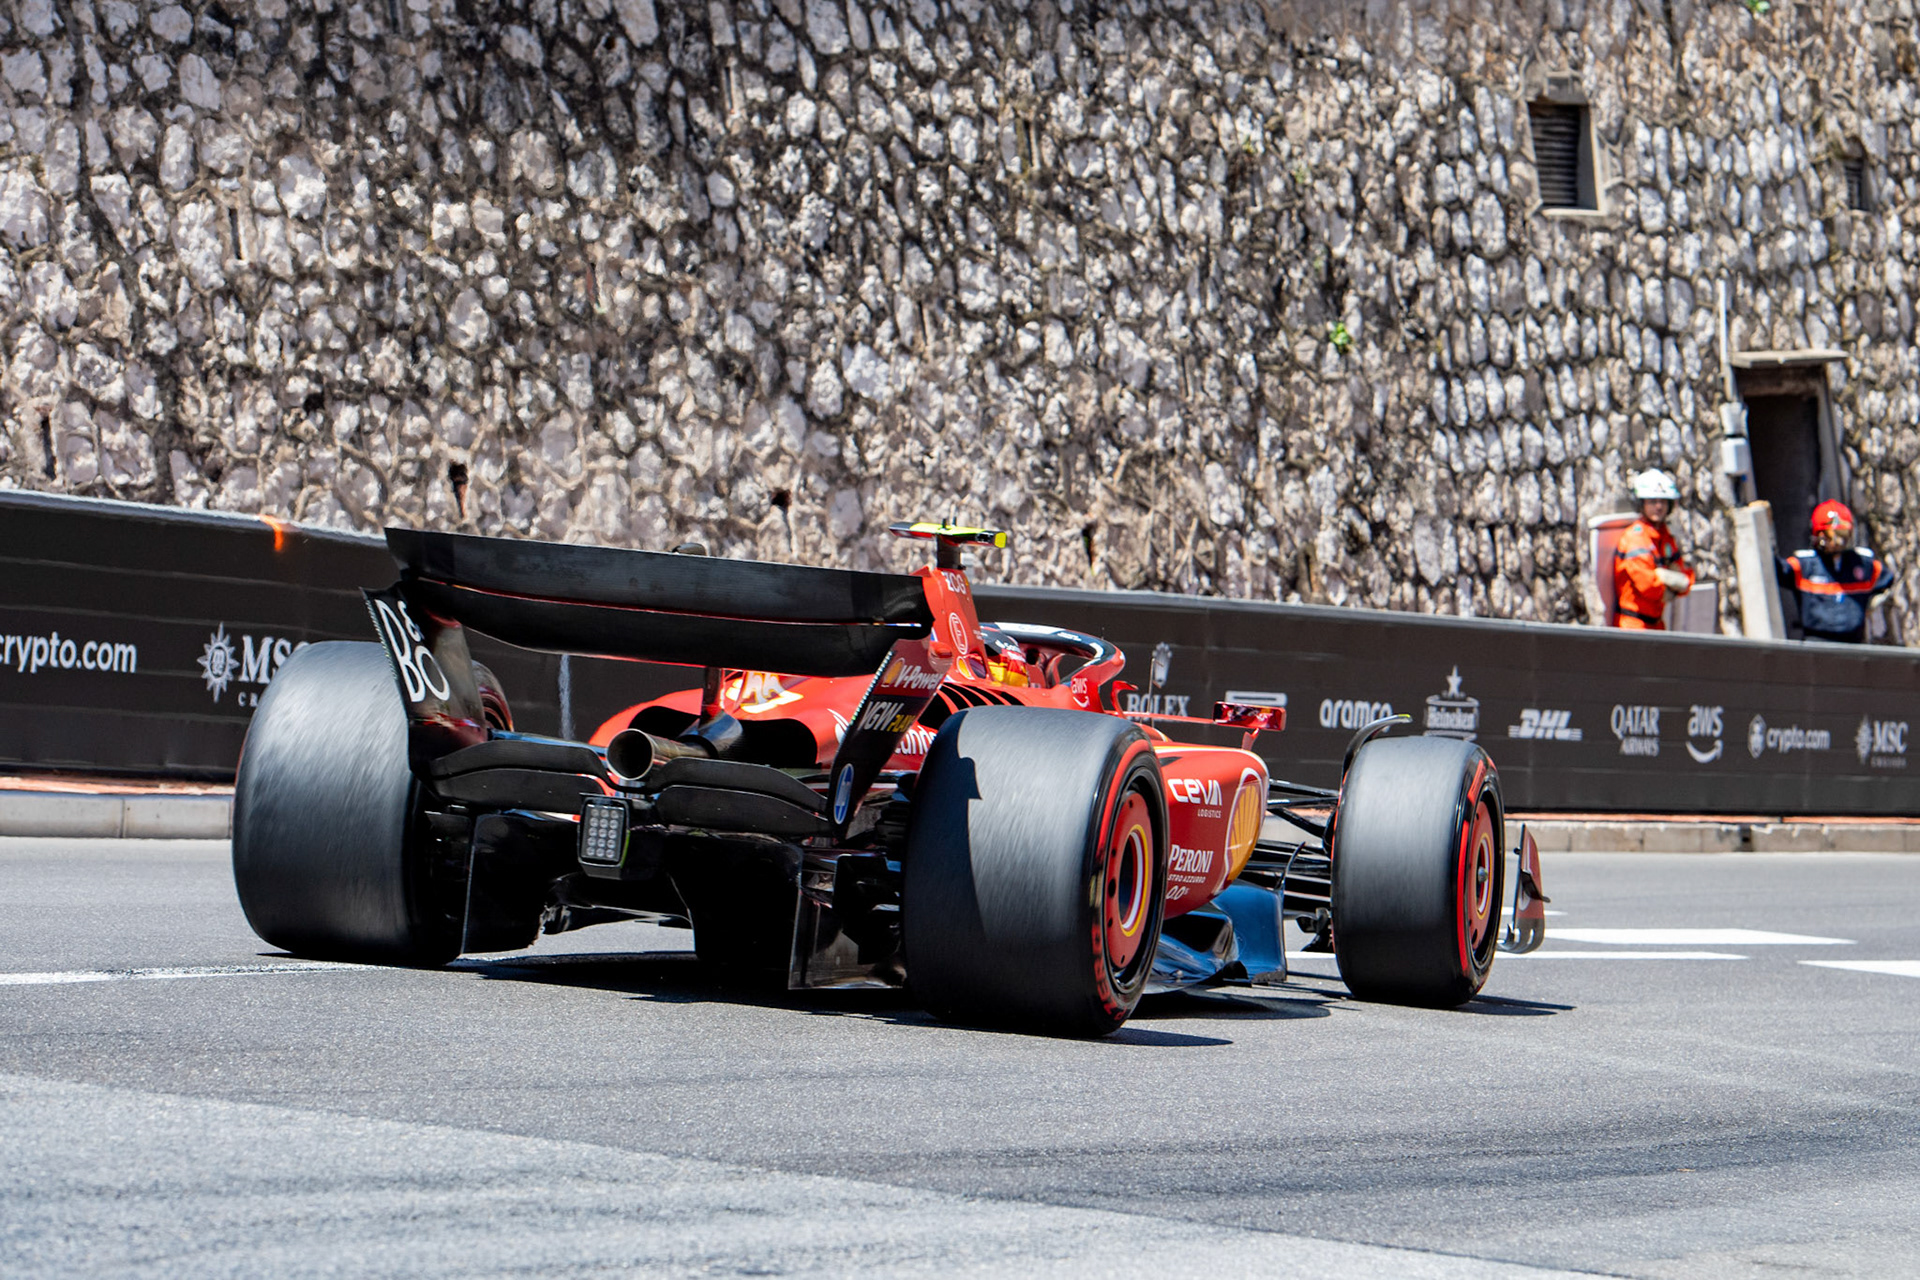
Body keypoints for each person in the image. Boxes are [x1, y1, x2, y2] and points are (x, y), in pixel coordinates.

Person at [1777, 500, 1895, 643]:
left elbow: (1887, 580)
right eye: (1831, 535)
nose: (1836, 542)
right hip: (1816, 643)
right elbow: (1777, 570)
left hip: (1853, 643)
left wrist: (1872, 604)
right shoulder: (1805, 565)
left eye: (1842, 535)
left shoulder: (1862, 563)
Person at [1612, 469, 1695, 630]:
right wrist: (1672, 583)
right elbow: (1648, 586)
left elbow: (1687, 579)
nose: (1658, 506)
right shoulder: (1635, 539)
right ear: (1641, 504)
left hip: (1657, 624)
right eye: (1652, 501)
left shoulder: (1665, 537)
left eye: (1663, 501)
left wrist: (1666, 578)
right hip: (1633, 626)